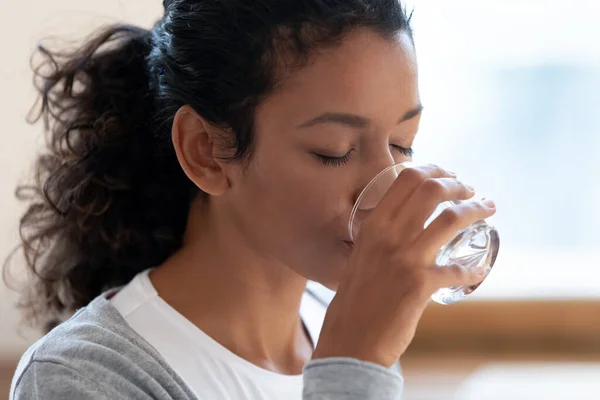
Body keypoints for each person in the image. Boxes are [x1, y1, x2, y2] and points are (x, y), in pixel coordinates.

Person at [6, 0, 496, 399]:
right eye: (335, 151)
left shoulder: (339, 322)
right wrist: (354, 367)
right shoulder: (83, 378)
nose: (387, 187)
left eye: (402, 141)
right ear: (208, 153)